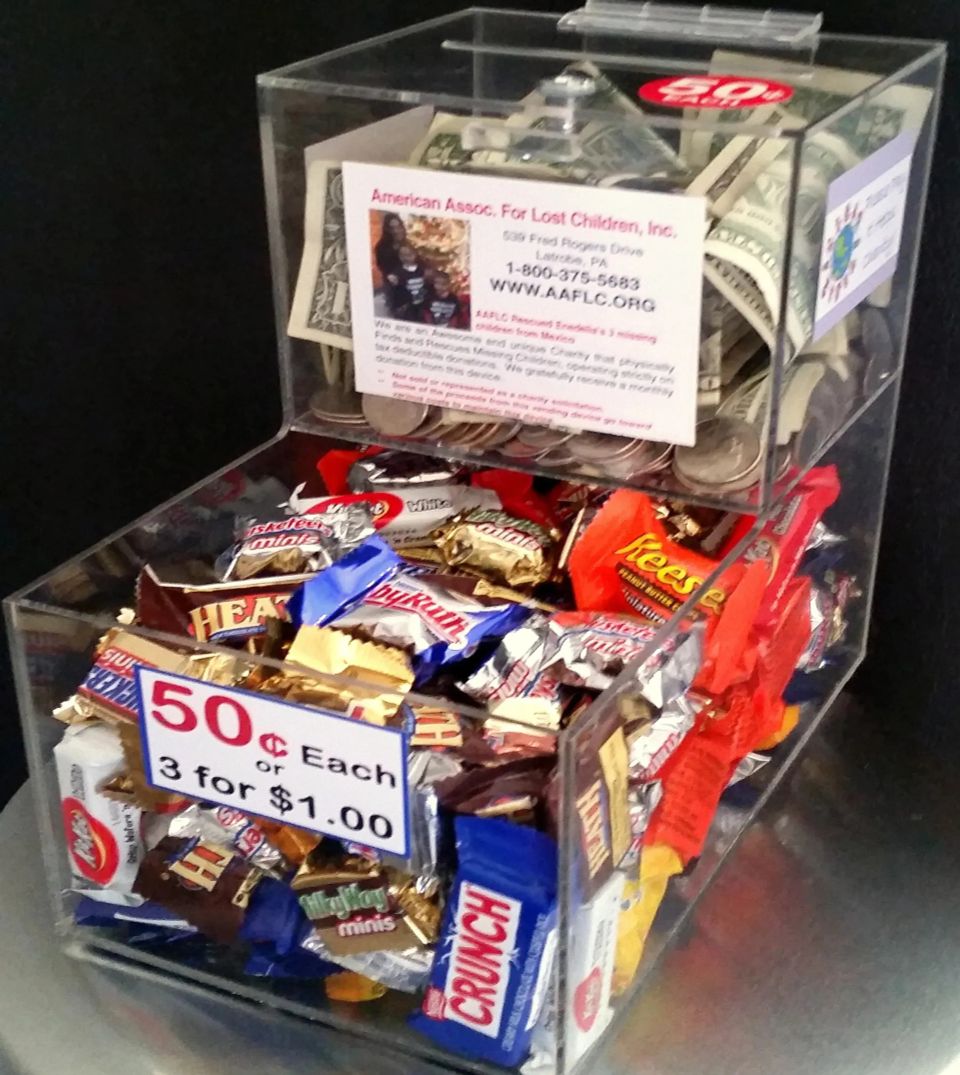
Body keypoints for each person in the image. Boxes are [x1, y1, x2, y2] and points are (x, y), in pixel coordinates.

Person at [388, 243, 429, 320]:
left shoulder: (421, 269)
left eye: (409, 255)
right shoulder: (399, 271)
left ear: (415, 255)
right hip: (407, 305)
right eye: (402, 255)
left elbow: (427, 283)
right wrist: (393, 279)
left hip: (421, 303)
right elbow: (394, 281)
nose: (406, 258)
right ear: (399, 256)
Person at [374, 213, 408, 288]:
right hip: (392, 285)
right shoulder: (381, 247)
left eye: (398, 227)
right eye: (392, 228)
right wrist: (389, 276)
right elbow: (381, 265)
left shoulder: (408, 243)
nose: (396, 231)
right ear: (387, 230)